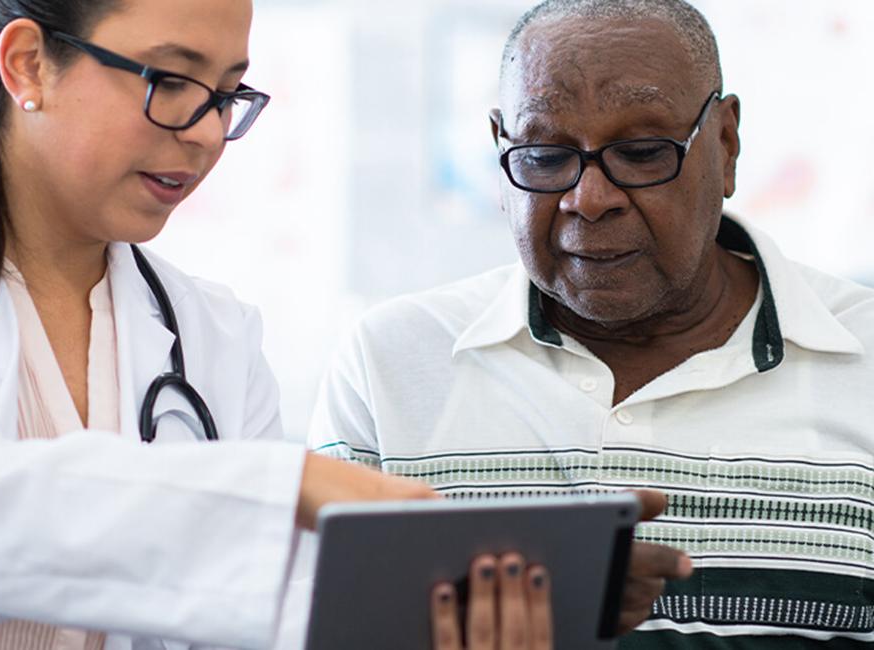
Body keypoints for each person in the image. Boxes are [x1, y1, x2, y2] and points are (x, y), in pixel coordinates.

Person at [0, 1, 461, 648]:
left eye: (230, 93)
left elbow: (264, 612)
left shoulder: (211, 337)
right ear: (30, 64)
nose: (205, 133)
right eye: (170, 81)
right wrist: (278, 489)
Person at [309, 0, 874, 647]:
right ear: (500, 151)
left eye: (639, 152)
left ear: (725, 143)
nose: (589, 198)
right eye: (546, 156)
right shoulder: (391, 365)